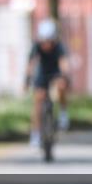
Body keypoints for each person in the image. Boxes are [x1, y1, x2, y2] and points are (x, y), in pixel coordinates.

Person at [24, 18, 70, 147]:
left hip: (55, 73)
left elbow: (64, 63)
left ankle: (63, 113)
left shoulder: (59, 47)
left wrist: (65, 77)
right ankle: (36, 135)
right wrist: (27, 80)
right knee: (38, 101)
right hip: (42, 75)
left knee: (61, 86)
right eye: (44, 41)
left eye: (49, 41)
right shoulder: (36, 46)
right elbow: (31, 64)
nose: (46, 45)